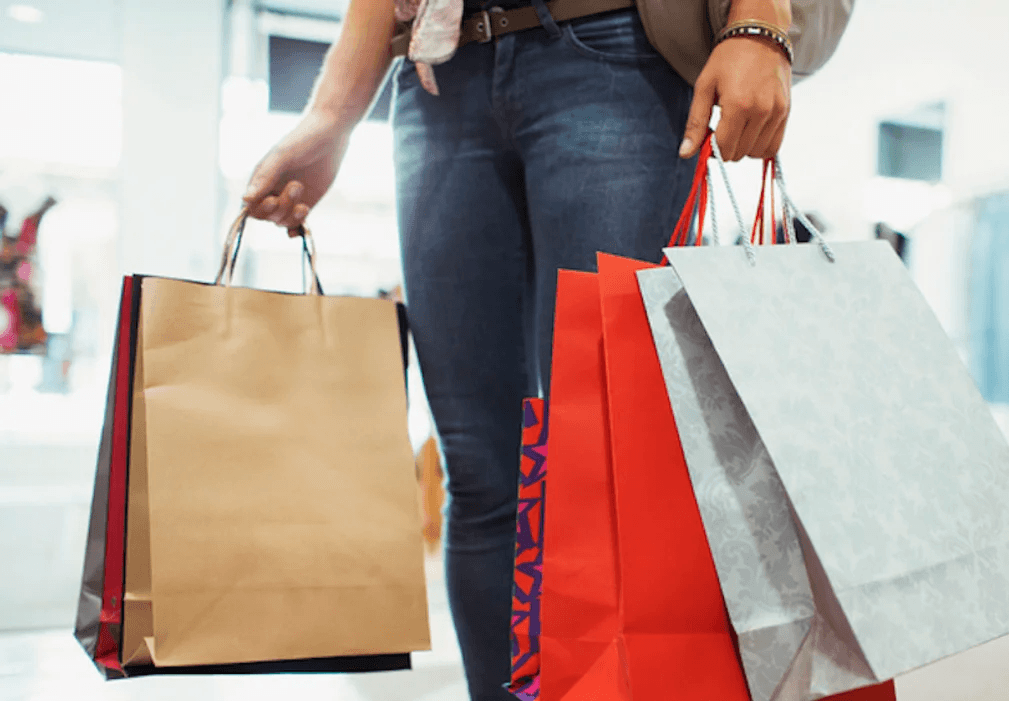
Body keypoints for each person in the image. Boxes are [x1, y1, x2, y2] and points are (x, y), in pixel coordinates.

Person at [241, 1, 824, 698]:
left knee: (606, 470)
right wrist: (332, 114)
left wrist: (757, 20)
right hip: (438, 75)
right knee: (482, 478)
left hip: (613, 46)